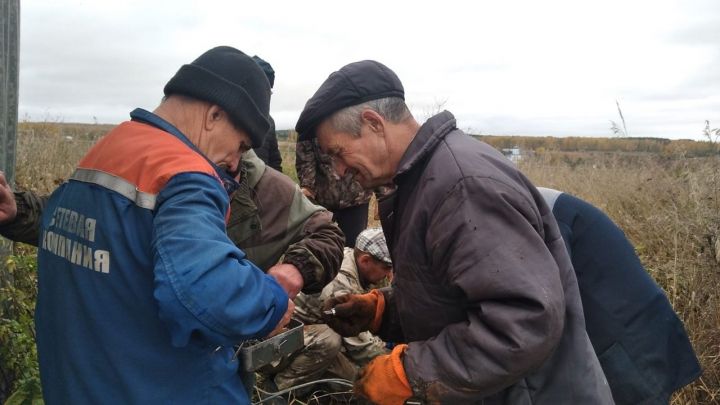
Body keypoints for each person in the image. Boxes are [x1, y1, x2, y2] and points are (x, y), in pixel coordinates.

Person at [295, 60, 614, 404]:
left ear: (374, 124)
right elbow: (454, 295)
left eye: (338, 153)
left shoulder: (462, 187)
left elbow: (524, 320)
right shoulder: (421, 181)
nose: (339, 171)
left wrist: (411, 373)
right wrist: (383, 310)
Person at [14, 46, 299, 405]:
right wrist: (271, 299)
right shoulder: (184, 174)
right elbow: (207, 293)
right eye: (240, 145)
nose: (234, 162)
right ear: (213, 114)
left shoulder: (104, 153)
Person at [537, 187, 701, 405]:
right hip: (639, 327)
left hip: (629, 342)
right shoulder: (536, 201)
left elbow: (547, 307)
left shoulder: (538, 214)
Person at [265, 227, 393, 393]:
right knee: (361, 383)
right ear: (365, 260)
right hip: (275, 340)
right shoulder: (342, 285)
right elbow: (361, 347)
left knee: (355, 376)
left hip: (308, 331)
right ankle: (279, 391)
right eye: (386, 268)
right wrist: (397, 365)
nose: (389, 274)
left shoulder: (353, 257)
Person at [296, 134, 372, 247]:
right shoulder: (312, 120)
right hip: (322, 199)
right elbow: (305, 156)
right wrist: (308, 186)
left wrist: (382, 192)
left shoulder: (359, 120)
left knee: (352, 247)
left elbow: (372, 156)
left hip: (357, 198)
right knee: (319, 244)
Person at [251, 56, 283, 172]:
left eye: (268, 91)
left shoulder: (269, 122)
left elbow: (275, 161)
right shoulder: (230, 118)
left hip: (261, 186)